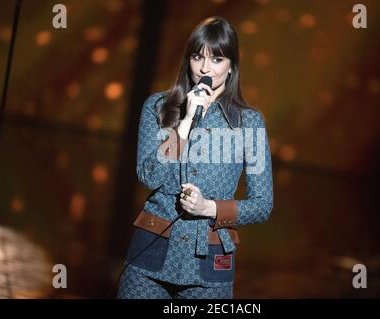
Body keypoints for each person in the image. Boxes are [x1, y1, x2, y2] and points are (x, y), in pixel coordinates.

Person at [117, 16, 273, 299]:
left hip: (209, 267)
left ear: (231, 66)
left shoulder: (249, 123)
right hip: (150, 255)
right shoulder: (158, 107)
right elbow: (149, 176)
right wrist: (185, 124)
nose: (204, 68)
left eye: (217, 59)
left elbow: (263, 205)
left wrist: (210, 208)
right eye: (198, 57)